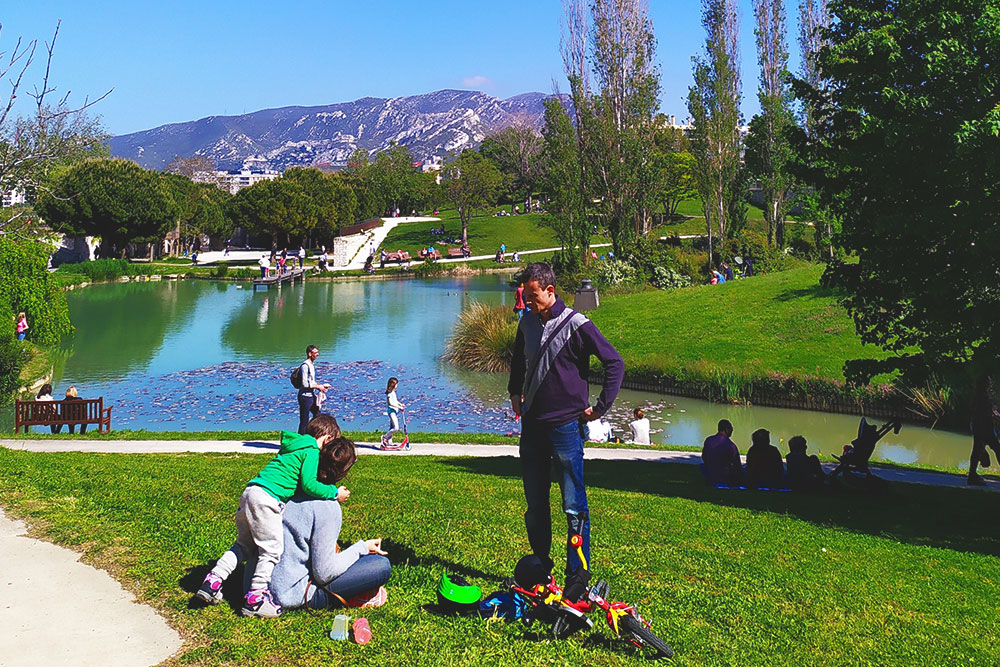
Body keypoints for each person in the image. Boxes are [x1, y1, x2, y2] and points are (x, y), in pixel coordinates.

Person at [508, 262, 624, 600]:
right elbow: (518, 359)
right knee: (535, 504)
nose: (528, 302)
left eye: (533, 296)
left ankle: (578, 574)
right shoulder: (527, 322)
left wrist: (601, 407)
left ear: (550, 290)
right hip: (532, 426)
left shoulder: (578, 325)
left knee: (573, 505)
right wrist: (515, 391)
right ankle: (542, 566)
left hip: (565, 429)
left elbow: (614, 363)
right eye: (525, 296)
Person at [197, 415, 353, 617]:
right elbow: (309, 484)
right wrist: (334, 493)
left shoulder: (294, 446)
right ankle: (256, 598)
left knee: (244, 545)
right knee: (271, 550)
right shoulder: (311, 450)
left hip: (251, 491)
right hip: (267, 500)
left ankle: (212, 581)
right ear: (327, 438)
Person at [268, 493, 391, 611]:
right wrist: (363, 548)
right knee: (380, 565)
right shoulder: (326, 506)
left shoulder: (281, 493)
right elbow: (324, 574)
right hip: (296, 594)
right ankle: (352, 596)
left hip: (261, 584)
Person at [968, 375, 1000, 485]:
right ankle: (972, 476)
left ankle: (972, 475)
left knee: (977, 451)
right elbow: (983, 414)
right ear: (985, 383)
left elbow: (984, 412)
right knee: (996, 449)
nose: (991, 383)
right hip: (984, 428)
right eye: (989, 381)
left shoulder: (980, 395)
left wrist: (994, 414)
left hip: (980, 427)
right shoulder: (983, 397)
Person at [297, 345, 331, 435]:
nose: (317, 354)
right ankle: (301, 440)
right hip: (304, 397)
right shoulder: (305, 366)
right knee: (304, 420)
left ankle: (316, 435)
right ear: (309, 354)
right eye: (315, 353)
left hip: (311, 396)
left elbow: (311, 381)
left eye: (317, 352)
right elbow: (305, 383)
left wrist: (322, 386)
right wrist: (318, 387)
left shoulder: (312, 365)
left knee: (318, 415)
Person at [702, 419, 742, 485]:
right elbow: (737, 466)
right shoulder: (731, 446)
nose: (732, 430)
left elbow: (704, 457)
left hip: (710, 474)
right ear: (726, 429)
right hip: (724, 477)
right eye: (731, 428)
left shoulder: (708, 440)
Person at [381, 377, 405, 447]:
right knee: (396, 428)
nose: (397, 386)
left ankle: (389, 441)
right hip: (391, 412)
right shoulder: (389, 394)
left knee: (391, 427)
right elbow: (390, 403)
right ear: (392, 385)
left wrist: (400, 404)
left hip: (395, 412)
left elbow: (395, 401)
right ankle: (384, 437)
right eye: (396, 384)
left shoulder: (393, 393)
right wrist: (399, 407)